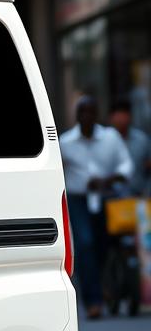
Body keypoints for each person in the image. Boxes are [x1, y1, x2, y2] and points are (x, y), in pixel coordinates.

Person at [60, 96, 133, 319]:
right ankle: (93, 301)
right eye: (82, 112)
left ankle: (106, 286)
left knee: (105, 244)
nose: (87, 117)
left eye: (91, 112)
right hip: (79, 199)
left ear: (97, 115)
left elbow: (126, 163)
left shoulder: (110, 138)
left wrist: (112, 179)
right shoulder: (66, 142)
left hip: (107, 197)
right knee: (85, 243)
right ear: (77, 116)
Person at [108, 99, 151, 196]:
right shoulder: (104, 141)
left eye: (124, 114)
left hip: (139, 196)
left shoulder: (142, 140)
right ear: (111, 117)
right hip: (110, 198)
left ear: (130, 116)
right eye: (117, 115)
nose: (121, 119)